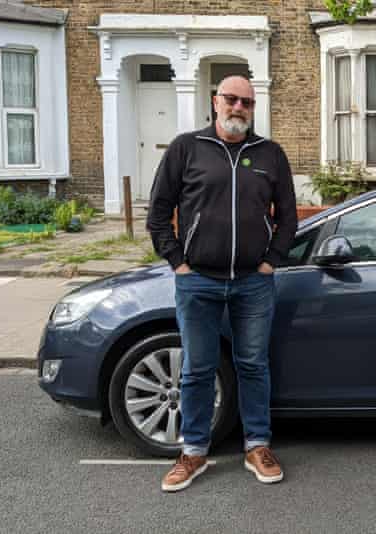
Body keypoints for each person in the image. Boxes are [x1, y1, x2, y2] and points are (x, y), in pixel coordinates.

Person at [146, 75, 297, 492]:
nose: (238, 108)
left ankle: (257, 446)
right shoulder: (187, 148)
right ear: (216, 102)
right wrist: (177, 262)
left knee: (253, 366)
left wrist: (271, 262)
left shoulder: (269, 154)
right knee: (197, 369)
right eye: (231, 99)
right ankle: (193, 451)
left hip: (254, 282)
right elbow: (158, 212)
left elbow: (288, 217)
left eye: (247, 102)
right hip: (198, 281)